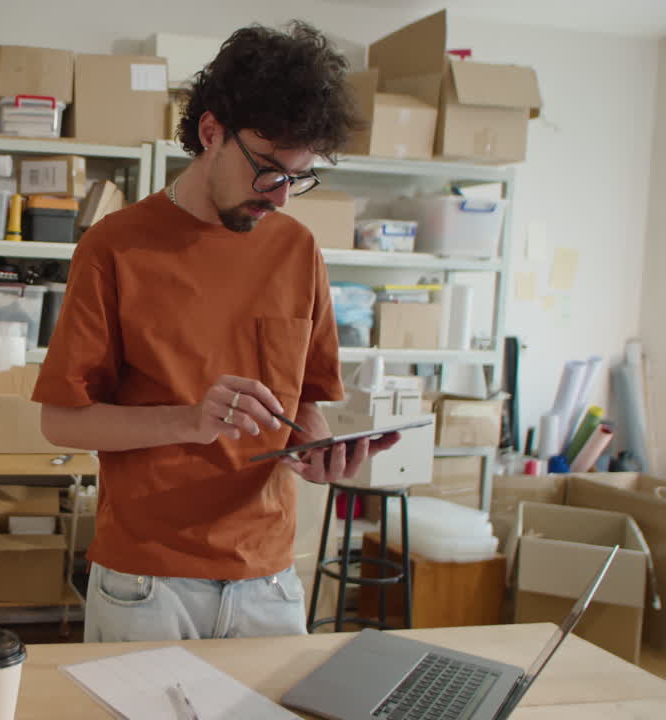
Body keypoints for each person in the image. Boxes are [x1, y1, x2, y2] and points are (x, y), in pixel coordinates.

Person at [32, 21, 401, 643]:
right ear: (211, 132)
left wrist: (318, 452)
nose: (281, 197)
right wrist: (189, 420)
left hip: (269, 579)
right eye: (269, 171)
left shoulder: (298, 250)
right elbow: (61, 422)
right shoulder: (115, 247)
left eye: (298, 177)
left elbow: (304, 401)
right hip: (147, 583)